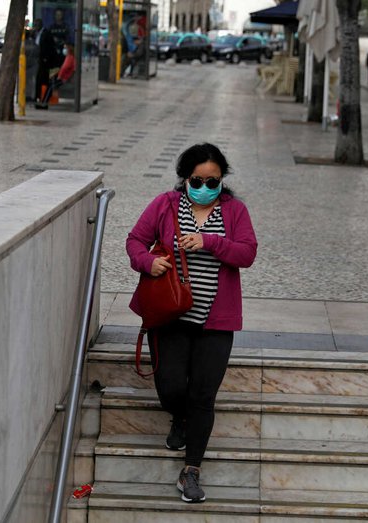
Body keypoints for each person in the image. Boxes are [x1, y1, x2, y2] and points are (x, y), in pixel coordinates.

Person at [126, 143, 258, 504]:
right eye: (197, 180)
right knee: (169, 386)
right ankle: (179, 417)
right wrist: (146, 262)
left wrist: (210, 241)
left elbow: (247, 253)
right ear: (185, 178)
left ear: (221, 179)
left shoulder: (234, 211)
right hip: (170, 316)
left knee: (203, 394)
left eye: (212, 180)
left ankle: (191, 470)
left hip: (216, 321)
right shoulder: (165, 205)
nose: (204, 186)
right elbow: (135, 240)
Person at [32, 19, 62, 105]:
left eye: (37, 25)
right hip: (38, 60)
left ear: (41, 25)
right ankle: (39, 97)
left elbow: (49, 47)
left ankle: (42, 98)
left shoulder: (46, 33)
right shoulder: (35, 33)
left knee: (43, 79)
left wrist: (46, 58)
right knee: (39, 79)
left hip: (45, 61)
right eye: (34, 24)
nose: (35, 26)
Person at [36, 44, 75, 109]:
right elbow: (62, 68)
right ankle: (43, 102)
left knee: (50, 87)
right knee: (50, 84)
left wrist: (67, 77)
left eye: (65, 48)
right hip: (61, 77)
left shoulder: (71, 58)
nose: (64, 50)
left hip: (64, 79)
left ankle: (44, 103)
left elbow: (67, 69)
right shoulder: (67, 57)